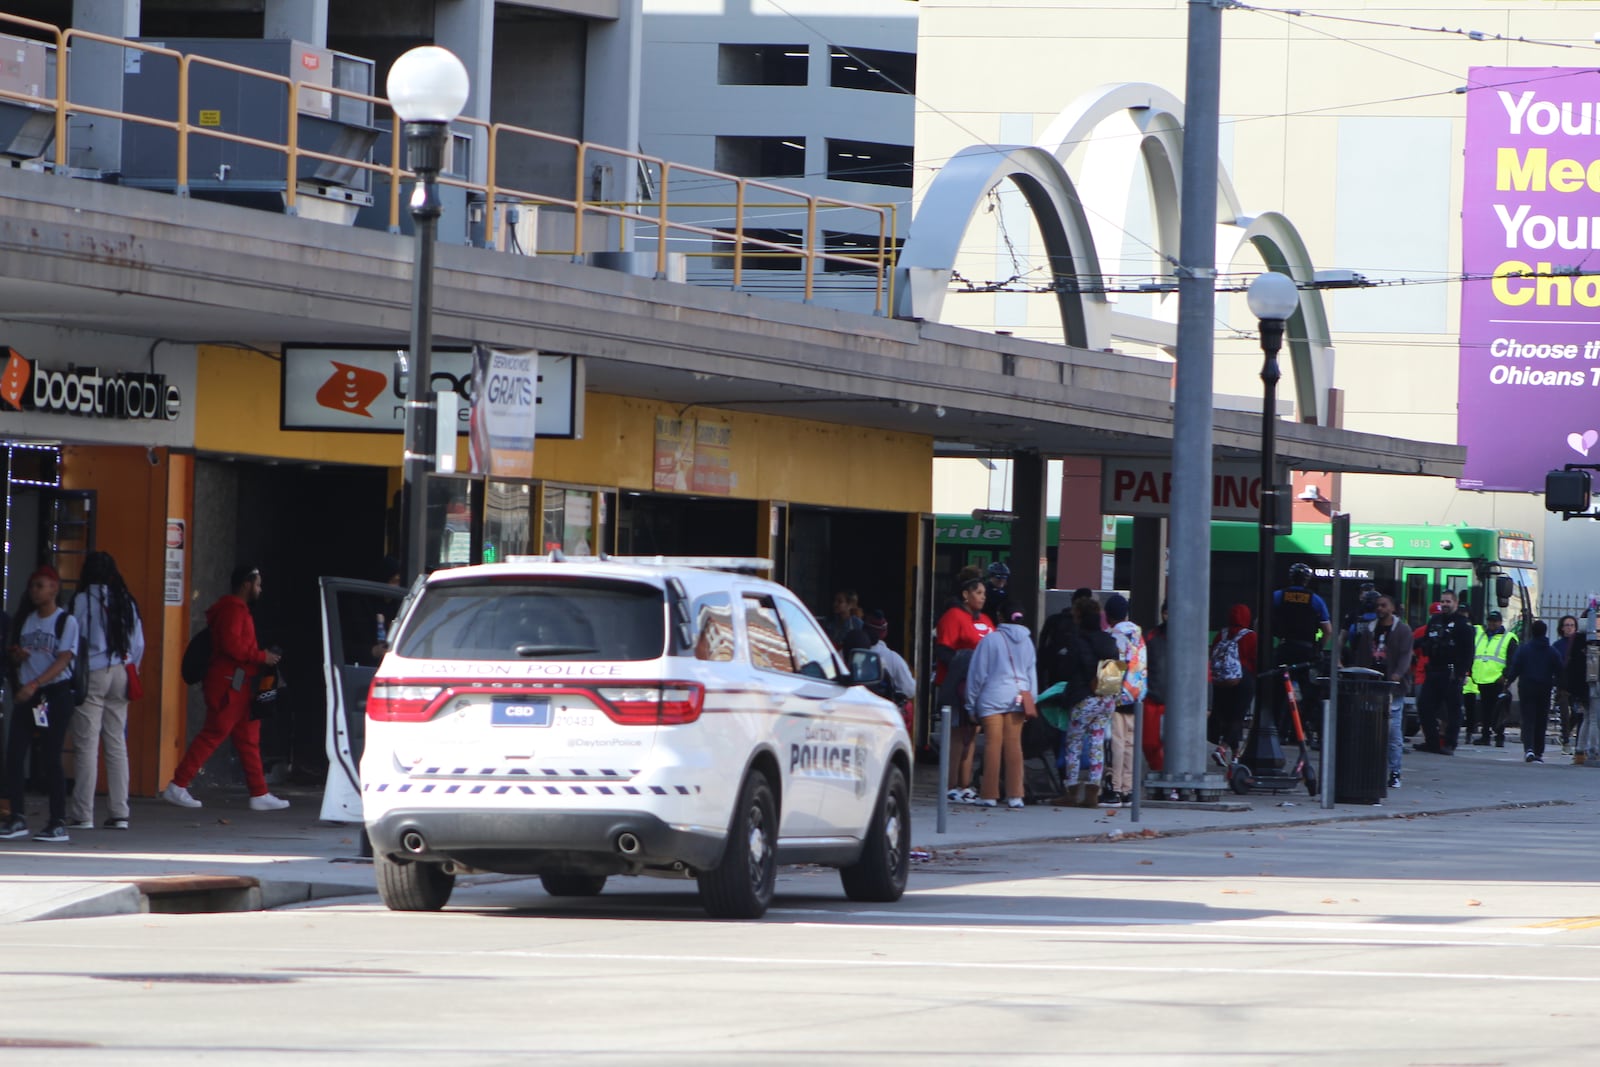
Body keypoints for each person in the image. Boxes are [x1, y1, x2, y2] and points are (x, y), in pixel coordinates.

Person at [163, 564, 289, 811]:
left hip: (235, 683)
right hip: (229, 684)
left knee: (248, 737)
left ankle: (259, 792)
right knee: (214, 734)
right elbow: (233, 647)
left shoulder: (233, 609)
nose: (260, 589)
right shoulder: (233, 611)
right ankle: (177, 785)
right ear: (247, 584)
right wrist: (261, 656)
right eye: (258, 584)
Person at [66, 551, 145, 831]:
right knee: (116, 744)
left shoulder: (81, 601)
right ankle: (119, 812)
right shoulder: (126, 600)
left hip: (93, 674)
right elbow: (138, 644)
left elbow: (73, 643)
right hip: (121, 672)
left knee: (87, 745)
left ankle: (82, 813)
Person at [1, 565, 80, 842]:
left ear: (54, 588)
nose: (35, 591)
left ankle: (58, 821)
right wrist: (18, 657)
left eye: (41, 585)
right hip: (28, 695)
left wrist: (35, 683)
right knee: (14, 755)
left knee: (50, 756)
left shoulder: (65, 621)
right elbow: (23, 653)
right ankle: (17, 817)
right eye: (33, 586)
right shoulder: (27, 620)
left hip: (52, 695)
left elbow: (63, 660)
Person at [1050, 596, 1120, 808]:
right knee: (1097, 742)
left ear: (1079, 617)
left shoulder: (1078, 641)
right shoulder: (1110, 641)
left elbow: (1067, 669)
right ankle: (1092, 793)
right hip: (1107, 697)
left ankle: (1072, 790)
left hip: (1084, 698)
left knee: (1074, 743)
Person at [964, 609, 1038, 809]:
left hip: (992, 697)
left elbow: (977, 673)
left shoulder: (990, 640)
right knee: (1014, 746)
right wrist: (1032, 697)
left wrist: (970, 703)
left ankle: (989, 794)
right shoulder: (1028, 641)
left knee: (992, 745)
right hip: (1018, 697)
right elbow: (1032, 673)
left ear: (1000, 616)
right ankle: (1015, 795)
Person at [935, 574, 993, 802]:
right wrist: (968, 666)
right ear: (965, 595)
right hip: (956, 685)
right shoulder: (953, 617)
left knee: (971, 735)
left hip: (979, 687)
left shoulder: (987, 620)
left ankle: (964, 784)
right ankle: (949, 785)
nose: (982, 598)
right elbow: (943, 650)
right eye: (978, 593)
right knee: (957, 735)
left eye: (984, 594)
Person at [1350, 594, 1413, 789]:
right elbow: (1362, 655)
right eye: (1378, 605)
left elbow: (1405, 656)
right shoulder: (1370, 629)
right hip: (1371, 686)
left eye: (1384, 605)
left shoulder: (1402, 630)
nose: (1380, 608)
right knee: (1369, 730)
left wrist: (1397, 675)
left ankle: (1394, 772)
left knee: (1393, 732)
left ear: (1392, 608)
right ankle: (1372, 768)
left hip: (1393, 688)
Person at [1271, 562, 1329, 738]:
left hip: (1284, 649)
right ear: (1307, 580)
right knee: (1310, 695)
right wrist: (1318, 648)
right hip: (1306, 653)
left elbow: (1261, 622)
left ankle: (1276, 731)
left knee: (1278, 693)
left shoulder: (1279, 596)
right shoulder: (1315, 600)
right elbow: (1328, 631)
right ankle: (1304, 732)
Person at [1414, 591, 1474, 754]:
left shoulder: (1462, 625)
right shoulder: (1435, 620)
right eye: (1442, 601)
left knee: (1453, 710)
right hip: (1433, 670)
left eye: (1448, 601)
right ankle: (1431, 742)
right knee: (1424, 706)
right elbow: (1426, 640)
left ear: (1455, 603)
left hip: (1451, 673)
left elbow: (1468, 652)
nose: (1445, 604)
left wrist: (1462, 674)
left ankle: (1449, 743)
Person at [1504, 619, 1563, 764]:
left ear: (1532, 632)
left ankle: (1528, 748)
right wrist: (1558, 685)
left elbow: (1515, 667)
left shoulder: (1524, 649)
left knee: (1528, 718)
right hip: (1544, 688)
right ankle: (1539, 751)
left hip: (1526, 687)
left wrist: (1508, 682)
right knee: (1541, 720)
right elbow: (1560, 671)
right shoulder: (1551, 651)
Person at [1102, 594, 1142, 808]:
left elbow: (1112, 667)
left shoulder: (1113, 635)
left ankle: (1114, 789)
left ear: (1108, 616)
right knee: (1130, 743)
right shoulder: (1138, 633)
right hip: (1135, 694)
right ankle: (1128, 789)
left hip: (1117, 696)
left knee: (1116, 743)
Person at [1208, 603, 1256, 756]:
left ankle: (1236, 755)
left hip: (1221, 681)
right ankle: (1222, 748)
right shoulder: (1250, 636)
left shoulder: (1220, 634)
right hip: (1243, 680)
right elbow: (1256, 660)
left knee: (1228, 716)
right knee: (1238, 716)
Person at [1466, 610, 1516, 748]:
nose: (1491, 624)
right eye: (1490, 621)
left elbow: (1512, 659)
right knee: (1485, 710)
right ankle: (1485, 736)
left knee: (1499, 710)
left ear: (1500, 622)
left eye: (1494, 621)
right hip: (1482, 679)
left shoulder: (1508, 637)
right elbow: (1474, 654)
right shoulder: (1480, 636)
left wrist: (1506, 676)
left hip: (1498, 680)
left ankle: (1499, 737)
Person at [863, 609, 916, 734]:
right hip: (883, 720)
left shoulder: (842, 654)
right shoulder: (893, 658)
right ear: (884, 633)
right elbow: (910, 690)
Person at [1554, 615, 1589, 761]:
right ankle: (1566, 740)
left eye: (1572, 625)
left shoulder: (1580, 642)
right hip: (1563, 684)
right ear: (1562, 628)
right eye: (1566, 625)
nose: (1569, 628)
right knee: (1565, 714)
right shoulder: (1558, 645)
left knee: (1578, 714)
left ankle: (1573, 741)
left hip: (1575, 684)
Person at [1141, 601, 1170, 777]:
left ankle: (1165, 775)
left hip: (1175, 701)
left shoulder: (1188, 639)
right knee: (1149, 743)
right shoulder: (1150, 637)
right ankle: (1159, 771)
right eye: (1166, 612)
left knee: (1174, 744)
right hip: (1152, 698)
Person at [981, 560, 1011, 627]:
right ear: (991, 577)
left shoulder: (1006, 590)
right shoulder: (984, 589)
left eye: (1005, 577)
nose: (1002, 580)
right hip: (986, 622)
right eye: (998, 577)